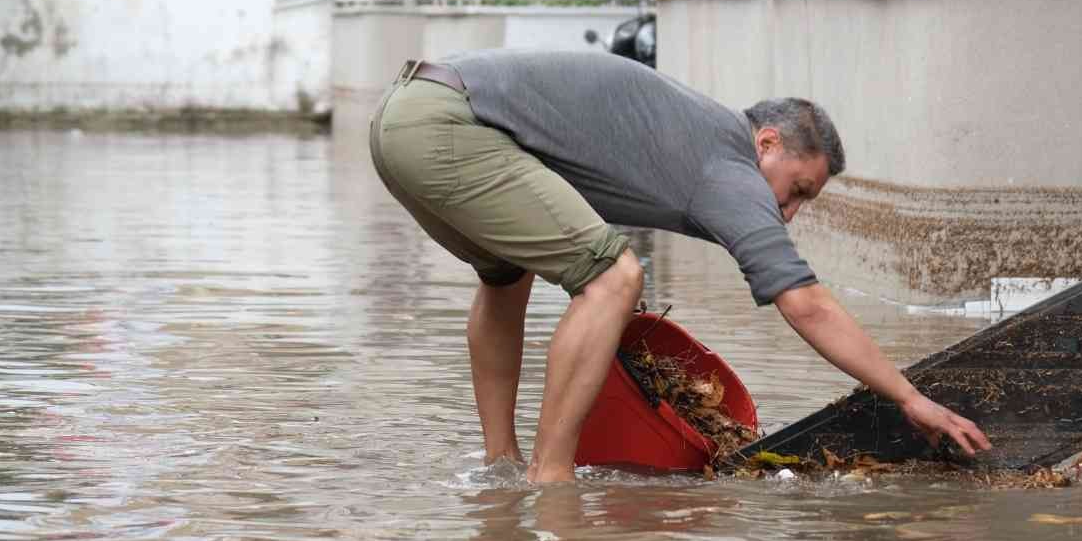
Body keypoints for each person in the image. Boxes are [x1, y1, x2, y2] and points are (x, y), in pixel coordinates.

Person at [368, 49, 992, 484]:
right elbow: (806, 302)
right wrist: (913, 400)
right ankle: (549, 480)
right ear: (768, 142)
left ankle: (500, 469)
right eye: (798, 189)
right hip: (447, 128)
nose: (791, 211)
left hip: (403, 116)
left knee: (508, 274)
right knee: (615, 277)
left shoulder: (697, 129)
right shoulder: (731, 163)